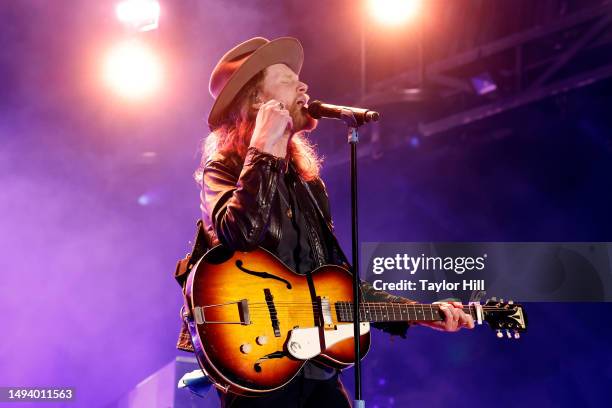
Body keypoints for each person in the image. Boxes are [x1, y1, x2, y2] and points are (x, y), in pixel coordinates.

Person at [176, 36, 474, 407]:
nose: (303, 85)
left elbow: (337, 283)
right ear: (257, 100)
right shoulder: (224, 169)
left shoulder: (308, 185)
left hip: (317, 368)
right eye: (287, 79)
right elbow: (240, 233)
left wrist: (422, 314)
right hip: (258, 364)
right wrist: (263, 150)